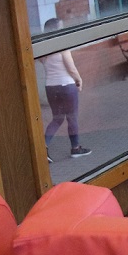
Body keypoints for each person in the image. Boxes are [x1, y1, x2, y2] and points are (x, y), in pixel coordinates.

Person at [39, 18, 91, 161]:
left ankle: (42, 147)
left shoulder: (43, 48)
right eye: (61, 27)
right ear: (56, 30)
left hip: (51, 87)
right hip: (66, 86)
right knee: (72, 117)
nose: (63, 29)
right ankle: (75, 148)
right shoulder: (62, 46)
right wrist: (79, 79)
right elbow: (71, 68)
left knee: (57, 118)